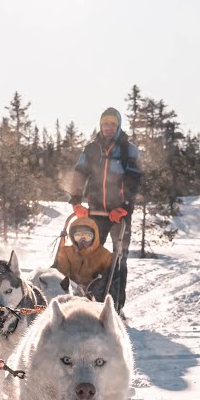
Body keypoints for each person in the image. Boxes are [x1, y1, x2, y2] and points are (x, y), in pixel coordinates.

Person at [67, 106, 142, 314]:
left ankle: (116, 307)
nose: (108, 127)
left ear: (117, 126)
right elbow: (79, 174)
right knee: (90, 255)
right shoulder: (91, 149)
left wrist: (124, 207)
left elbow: (134, 181)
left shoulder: (129, 150)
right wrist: (75, 201)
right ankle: (90, 301)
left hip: (120, 214)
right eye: (105, 124)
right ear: (100, 125)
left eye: (112, 124)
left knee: (119, 259)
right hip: (95, 211)